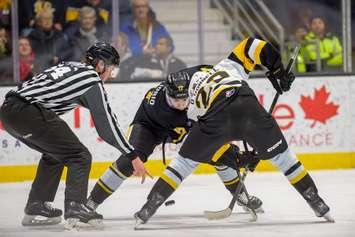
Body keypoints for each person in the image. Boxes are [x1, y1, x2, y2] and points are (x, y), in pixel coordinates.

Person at [134, 37, 333, 226]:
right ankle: (317, 202)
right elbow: (254, 44)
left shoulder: (191, 104)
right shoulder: (226, 66)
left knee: (184, 163)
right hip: (247, 105)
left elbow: (213, 146)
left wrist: (237, 158)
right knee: (284, 159)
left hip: (216, 116)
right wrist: (277, 70)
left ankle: (149, 206)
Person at [0, 42, 149, 228]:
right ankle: (75, 206)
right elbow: (107, 126)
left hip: (8, 111)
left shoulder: (70, 66)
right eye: (110, 69)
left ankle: (36, 206)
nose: (110, 75)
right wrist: (132, 155)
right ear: (100, 64)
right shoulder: (91, 80)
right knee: (79, 155)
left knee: (55, 153)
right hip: (29, 112)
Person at [86, 65, 263, 214]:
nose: (180, 104)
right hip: (150, 127)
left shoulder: (196, 77)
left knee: (220, 156)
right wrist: (236, 156)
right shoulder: (163, 109)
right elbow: (204, 141)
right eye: (175, 100)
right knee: (129, 160)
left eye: (184, 99)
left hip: (186, 125)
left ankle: (241, 196)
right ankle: (91, 203)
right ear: (166, 92)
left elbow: (217, 72)